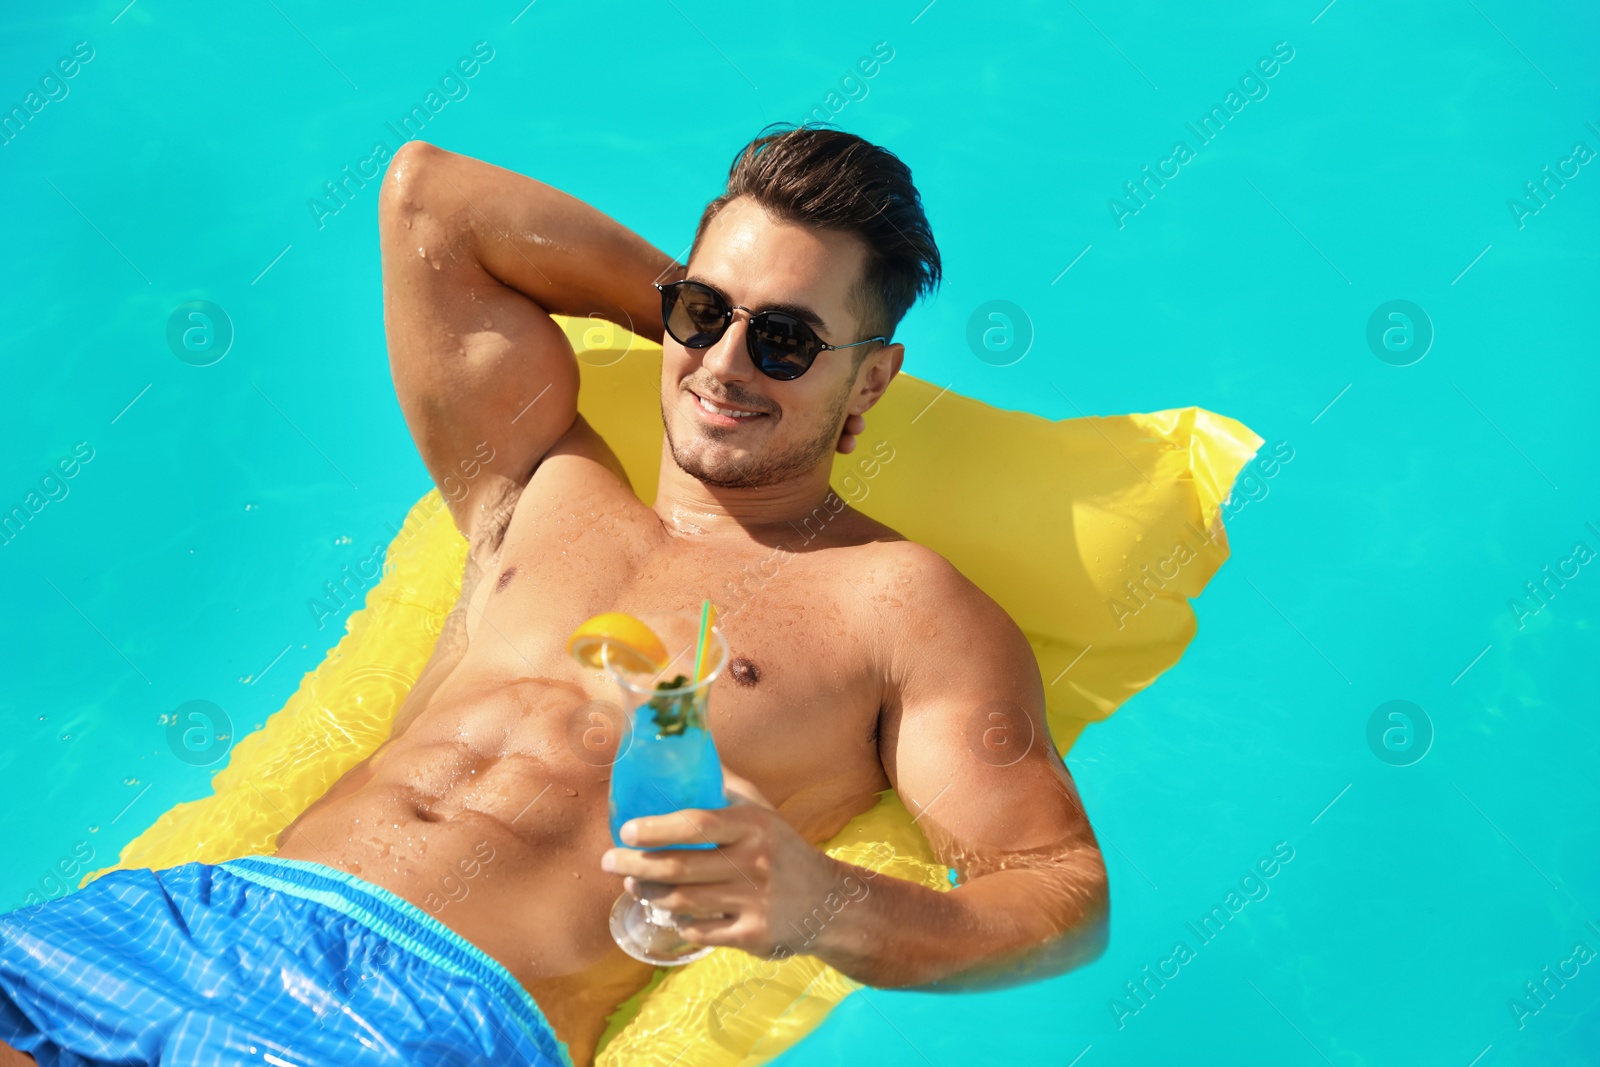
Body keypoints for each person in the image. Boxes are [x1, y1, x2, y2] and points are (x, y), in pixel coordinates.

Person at [0, 124, 1107, 1067]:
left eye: (785, 340)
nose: (724, 365)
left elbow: (1056, 892)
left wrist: (826, 903)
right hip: (199, 914)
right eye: (703, 311)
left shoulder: (902, 606)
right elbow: (430, 197)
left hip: (424, 1011)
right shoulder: (541, 478)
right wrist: (691, 316)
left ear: (871, 377)